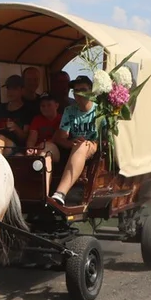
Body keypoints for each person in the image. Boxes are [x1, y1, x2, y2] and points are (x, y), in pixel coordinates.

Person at [49, 76, 101, 205]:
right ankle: (44, 194)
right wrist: (70, 142)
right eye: (75, 90)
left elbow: (106, 138)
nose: (78, 93)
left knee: (82, 145)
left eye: (82, 89)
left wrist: (89, 144)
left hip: (94, 144)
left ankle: (60, 193)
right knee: (47, 147)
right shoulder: (70, 111)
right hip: (76, 145)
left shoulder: (100, 110)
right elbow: (61, 137)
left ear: (91, 90)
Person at [24, 94, 63, 195]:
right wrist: (30, 148)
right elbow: (31, 138)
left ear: (56, 105)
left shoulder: (62, 119)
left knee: (45, 151)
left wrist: (38, 148)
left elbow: (55, 139)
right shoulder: (37, 119)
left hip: (56, 150)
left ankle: (43, 194)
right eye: (43, 106)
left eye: (49, 105)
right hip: (38, 150)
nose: (45, 108)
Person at [0, 75, 34, 155]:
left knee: (0, 138)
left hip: (17, 149)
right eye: (8, 88)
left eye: (15, 89)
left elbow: (25, 138)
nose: (10, 92)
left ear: (22, 90)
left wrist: (16, 129)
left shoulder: (27, 111)